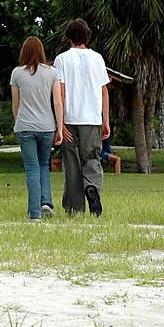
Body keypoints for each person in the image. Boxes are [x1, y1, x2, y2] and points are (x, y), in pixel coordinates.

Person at [53, 19, 110, 216]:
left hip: (70, 118)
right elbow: (104, 92)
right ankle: (92, 187)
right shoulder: (98, 58)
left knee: (72, 164)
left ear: (69, 36)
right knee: (92, 159)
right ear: (87, 36)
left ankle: (74, 208)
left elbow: (60, 94)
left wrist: (60, 125)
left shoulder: (61, 60)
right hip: (92, 118)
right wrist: (106, 120)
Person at [10, 36, 64, 221]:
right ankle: (46, 202)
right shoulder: (52, 73)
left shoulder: (17, 73)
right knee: (43, 166)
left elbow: (15, 105)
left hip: (25, 126)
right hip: (47, 126)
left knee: (31, 168)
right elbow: (57, 101)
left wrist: (19, 122)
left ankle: (34, 213)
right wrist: (60, 127)